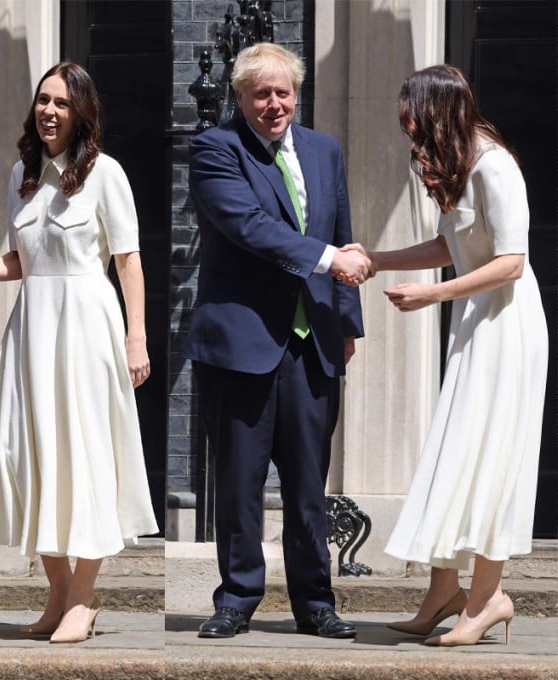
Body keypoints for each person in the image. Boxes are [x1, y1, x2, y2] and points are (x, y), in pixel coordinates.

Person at [0, 61, 159, 644]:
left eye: (62, 103)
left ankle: (86, 598)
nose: (49, 111)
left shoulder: (106, 173)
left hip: (88, 327)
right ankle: (58, 594)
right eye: (44, 100)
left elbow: (128, 260)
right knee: (32, 455)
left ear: (81, 113)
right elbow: (20, 259)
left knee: (84, 456)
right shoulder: (23, 172)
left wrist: (136, 337)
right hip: (32, 331)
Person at [350, 64, 548, 648]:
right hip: (475, 321)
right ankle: (444, 592)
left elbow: (512, 260)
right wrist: (379, 259)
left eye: (411, 115)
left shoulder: (495, 166)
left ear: (438, 110)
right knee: (454, 449)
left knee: (491, 454)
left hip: (507, 325)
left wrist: (434, 294)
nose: (406, 128)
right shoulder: (461, 168)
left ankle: (489, 598)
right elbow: (450, 245)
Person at [186, 42, 369, 640]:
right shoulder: (217, 149)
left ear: (297, 94)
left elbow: (342, 229)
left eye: (283, 92)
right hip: (242, 341)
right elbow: (248, 226)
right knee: (239, 481)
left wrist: (347, 323)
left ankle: (315, 602)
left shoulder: (324, 151)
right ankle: (237, 598)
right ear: (240, 98)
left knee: (308, 483)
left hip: (311, 339)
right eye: (261, 94)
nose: (274, 104)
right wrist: (328, 260)